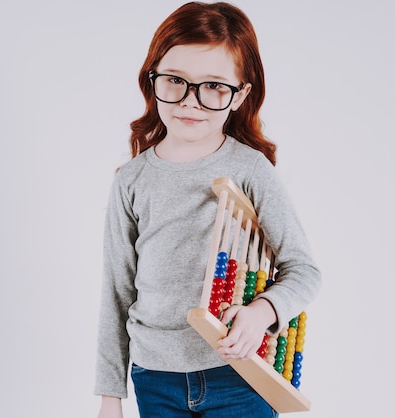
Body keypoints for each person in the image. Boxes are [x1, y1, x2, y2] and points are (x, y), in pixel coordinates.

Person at [94, 2, 321, 417]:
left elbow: (303, 270)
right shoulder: (131, 180)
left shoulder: (250, 168)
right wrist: (111, 395)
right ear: (152, 79)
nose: (190, 102)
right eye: (175, 80)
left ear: (241, 95)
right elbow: (117, 291)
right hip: (154, 377)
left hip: (237, 374)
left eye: (214, 86)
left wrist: (261, 313)